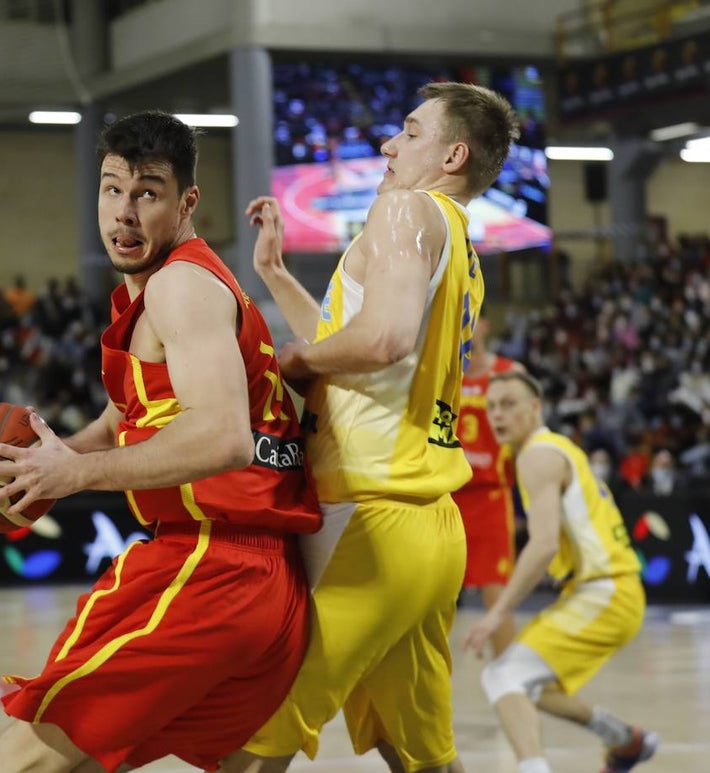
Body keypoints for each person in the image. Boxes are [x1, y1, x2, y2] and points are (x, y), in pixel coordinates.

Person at [0, 111, 322, 772]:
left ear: (187, 203)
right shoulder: (156, 292)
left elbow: (224, 437)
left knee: (25, 757)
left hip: (213, 567)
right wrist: (40, 464)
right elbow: (118, 423)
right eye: (113, 190)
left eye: (148, 193)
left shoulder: (180, 286)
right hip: (255, 578)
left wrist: (75, 476)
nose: (124, 213)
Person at [224, 82, 520, 773]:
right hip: (431, 525)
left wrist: (294, 361)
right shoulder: (460, 243)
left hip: (371, 514)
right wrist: (276, 274)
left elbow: (383, 339)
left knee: (260, 726)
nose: (388, 145)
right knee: (419, 754)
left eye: (410, 132)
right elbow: (357, 343)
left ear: (452, 155)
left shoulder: (404, 209)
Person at [464, 371, 657, 773]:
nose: (497, 414)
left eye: (509, 404)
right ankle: (625, 740)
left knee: (502, 677)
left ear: (535, 407)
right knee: (533, 688)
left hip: (606, 591)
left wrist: (497, 613)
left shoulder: (537, 456)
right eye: (491, 406)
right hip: (607, 591)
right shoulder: (557, 448)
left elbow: (544, 543)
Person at [452, 310, 526, 658]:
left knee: (497, 593)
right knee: (434, 595)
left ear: (484, 325)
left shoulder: (509, 374)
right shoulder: (440, 372)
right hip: (445, 496)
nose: (463, 327)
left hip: (490, 496)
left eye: (469, 320)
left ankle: (507, 671)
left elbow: (528, 435)